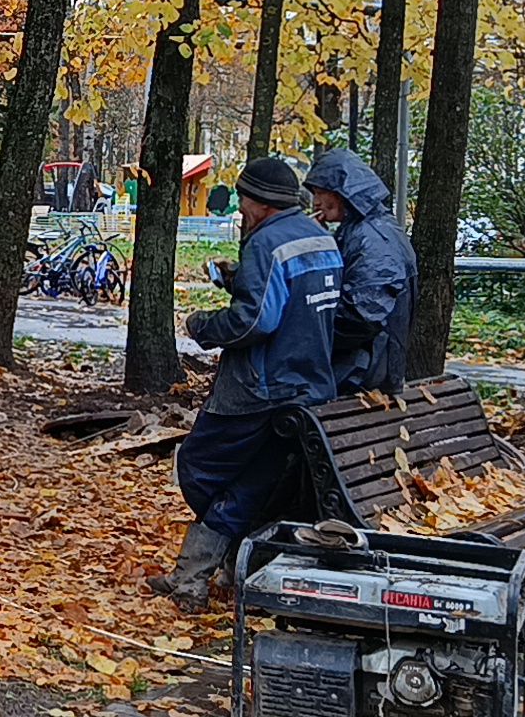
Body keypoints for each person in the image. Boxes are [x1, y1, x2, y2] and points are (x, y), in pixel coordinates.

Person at [152, 156, 342, 610]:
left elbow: (255, 320)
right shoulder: (320, 239)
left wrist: (202, 326)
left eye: (242, 199)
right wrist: (241, 282)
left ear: (259, 202)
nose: (239, 209)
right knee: (254, 481)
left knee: (199, 465)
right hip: (310, 386)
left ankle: (217, 562)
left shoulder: (267, 243)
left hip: (261, 387)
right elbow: (298, 302)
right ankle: (197, 576)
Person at [303, 148, 416, 397]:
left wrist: (307, 338)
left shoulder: (373, 239)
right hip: (364, 369)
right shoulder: (361, 230)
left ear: (345, 191)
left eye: (321, 192)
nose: (316, 202)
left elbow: (362, 316)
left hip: (362, 374)